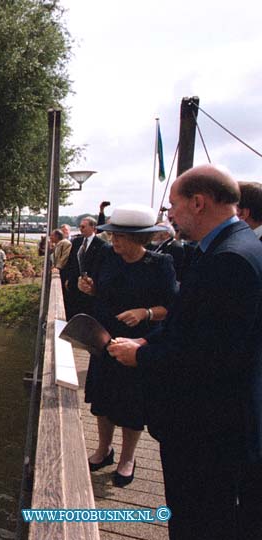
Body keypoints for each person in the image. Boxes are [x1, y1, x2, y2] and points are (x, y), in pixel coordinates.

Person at [108, 165, 262, 540]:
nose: (169, 215)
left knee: (200, 518)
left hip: (207, 427)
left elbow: (212, 356)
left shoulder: (229, 260)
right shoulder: (239, 247)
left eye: (173, 205)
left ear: (198, 202)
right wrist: (150, 340)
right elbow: (199, 327)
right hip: (220, 421)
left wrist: (141, 356)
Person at [78, 204, 177, 488]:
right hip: (105, 337)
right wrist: (90, 288)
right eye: (113, 235)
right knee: (103, 399)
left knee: (132, 403)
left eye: (119, 236)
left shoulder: (161, 264)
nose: (113, 240)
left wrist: (144, 312)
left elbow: (171, 308)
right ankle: (104, 449)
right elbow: (101, 289)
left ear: (138, 238)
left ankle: (127, 459)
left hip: (137, 343)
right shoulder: (108, 256)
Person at [62, 216, 105, 316]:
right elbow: (71, 262)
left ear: (93, 228)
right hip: (74, 285)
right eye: (80, 227)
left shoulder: (101, 245)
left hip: (89, 288)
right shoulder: (76, 242)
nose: (81, 229)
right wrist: (68, 279)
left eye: (83, 227)